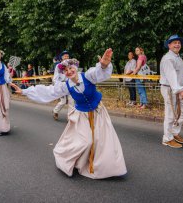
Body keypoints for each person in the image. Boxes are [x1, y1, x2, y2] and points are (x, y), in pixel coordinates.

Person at [10, 48, 127, 179]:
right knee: (86, 141)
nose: (69, 71)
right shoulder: (66, 86)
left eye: (70, 68)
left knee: (101, 140)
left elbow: (100, 73)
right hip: (81, 116)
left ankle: (103, 165)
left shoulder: (88, 76)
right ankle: (75, 160)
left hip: (98, 112)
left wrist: (104, 65)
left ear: (75, 67)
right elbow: (48, 91)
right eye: (65, 71)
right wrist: (25, 91)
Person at [159, 34, 183, 148]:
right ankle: (167, 139)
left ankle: (174, 132)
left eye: (178, 42)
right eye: (174, 42)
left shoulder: (177, 57)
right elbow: (171, 76)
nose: (177, 44)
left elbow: (180, 76)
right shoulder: (168, 58)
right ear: (169, 45)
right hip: (169, 88)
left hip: (178, 88)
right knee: (170, 115)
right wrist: (179, 90)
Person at [52, 50, 74, 120]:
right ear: (62, 58)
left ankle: (70, 117)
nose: (66, 57)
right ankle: (55, 111)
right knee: (63, 102)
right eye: (65, 56)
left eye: (67, 56)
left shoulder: (71, 65)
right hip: (62, 85)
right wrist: (58, 86)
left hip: (70, 85)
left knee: (71, 101)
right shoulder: (59, 66)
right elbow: (55, 78)